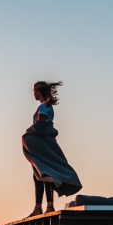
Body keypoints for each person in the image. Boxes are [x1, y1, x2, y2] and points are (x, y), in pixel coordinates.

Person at [22, 81, 83, 217]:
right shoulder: (46, 106)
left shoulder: (44, 107)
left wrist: (30, 132)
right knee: (40, 173)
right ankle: (41, 206)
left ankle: (46, 206)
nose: (33, 94)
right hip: (43, 143)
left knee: (46, 173)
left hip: (42, 143)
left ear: (38, 91)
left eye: (34, 91)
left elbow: (41, 122)